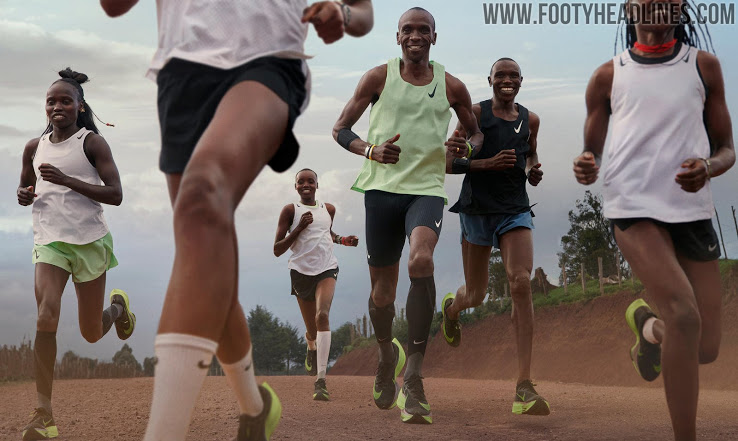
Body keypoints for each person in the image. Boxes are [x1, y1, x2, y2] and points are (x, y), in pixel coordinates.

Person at [100, 0, 373, 440]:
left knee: (201, 201)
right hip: (181, 69)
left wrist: (342, 13)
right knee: (203, 258)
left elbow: (363, 11)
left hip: (267, 62)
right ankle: (255, 406)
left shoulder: (322, 207)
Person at [573, 1, 734, 439]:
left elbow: (727, 148)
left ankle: (647, 326)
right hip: (631, 206)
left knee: (704, 348)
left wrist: (709, 166)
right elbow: (593, 152)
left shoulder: (704, 67)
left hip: (690, 209)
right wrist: (587, 164)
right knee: (684, 314)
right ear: (629, 7)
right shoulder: (608, 75)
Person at [332, 7, 483, 424]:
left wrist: (465, 148)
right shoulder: (377, 78)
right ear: (397, 37)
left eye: (423, 30)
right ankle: (386, 356)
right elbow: (340, 129)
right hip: (381, 190)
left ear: (435, 37)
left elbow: (475, 133)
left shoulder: (452, 86)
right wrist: (371, 150)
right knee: (382, 295)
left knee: (422, 259)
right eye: (408, 30)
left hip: (427, 190)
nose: (415, 36)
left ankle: (413, 377)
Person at [17, 68, 135, 441]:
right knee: (47, 313)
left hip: (89, 242)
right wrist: (23, 194)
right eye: (51, 101)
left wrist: (68, 180)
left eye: (65, 100)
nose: (57, 106)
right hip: (49, 241)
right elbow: (27, 184)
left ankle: (117, 310)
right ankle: (43, 414)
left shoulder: (92, 144)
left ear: (80, 107)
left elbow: (115, 194)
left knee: (90, 333)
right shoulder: (34, 147)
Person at [441, 58, 549, 416]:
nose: (506, 80)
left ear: (521, 81)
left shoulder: (529, 119)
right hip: (477, 211)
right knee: (476, 294)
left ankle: (524, 385)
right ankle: (453, 310)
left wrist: (533, 170)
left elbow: (530, 154)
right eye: (500, 75)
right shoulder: (474, 113)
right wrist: (484, 163)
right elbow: (447, 161)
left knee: (521, 282)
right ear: (489, 80)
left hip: (515, 208)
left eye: (513, 76)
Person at [273, 168, 359, 401]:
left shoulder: (327, 209)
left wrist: (343, 240)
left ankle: (320, 380)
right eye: (301, 182)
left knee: (322, 316)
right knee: (312, 329)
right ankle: (311, 345)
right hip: (301, 273)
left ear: (317, 185)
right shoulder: (290, 211)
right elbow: (277, 249)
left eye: (310, 181)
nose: (306, 185)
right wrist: (299, 228)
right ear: (296, 187)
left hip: (326, 269)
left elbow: (326, 233)